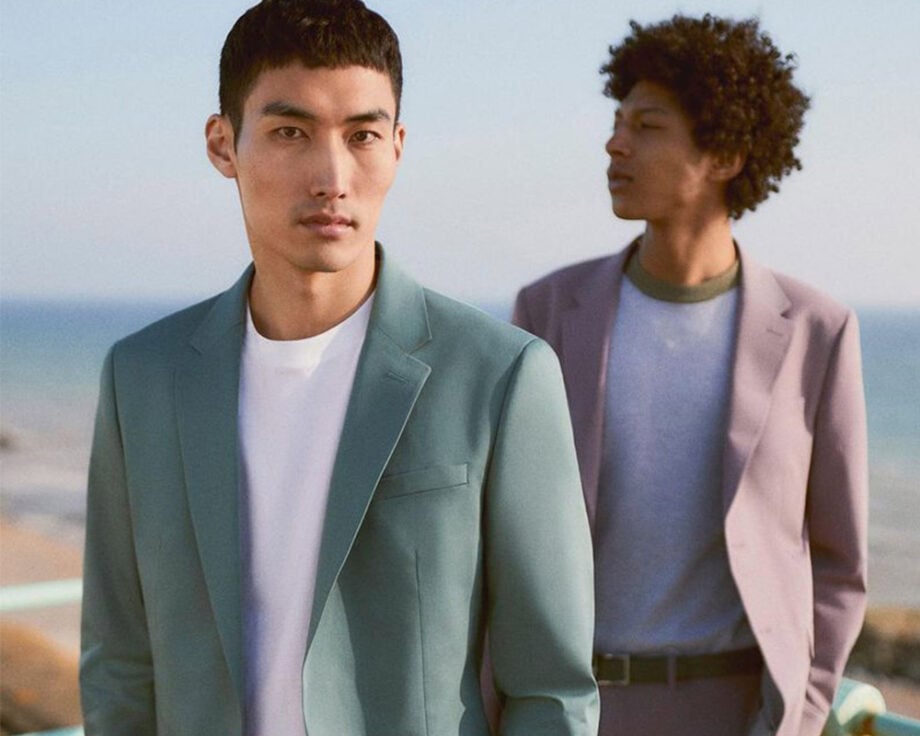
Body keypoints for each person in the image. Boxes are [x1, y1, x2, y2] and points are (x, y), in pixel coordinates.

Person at [79, 1, 599, 733]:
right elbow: (120, 664)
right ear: (223, 144)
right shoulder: (142, 377)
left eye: (362, 136)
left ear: (398, 147)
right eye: (291, 132)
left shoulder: (500, 376)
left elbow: (553, 690)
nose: (333, 176)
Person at [513, 14, 867, 736]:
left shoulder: (816, 331)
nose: (615, 142)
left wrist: (799, 715)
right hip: (569, 709)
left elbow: (839, 562)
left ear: (727, 154)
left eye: (646, 126)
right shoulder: (547, 312)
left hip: (736, 710)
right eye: (617, 121)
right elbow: (496, 533)